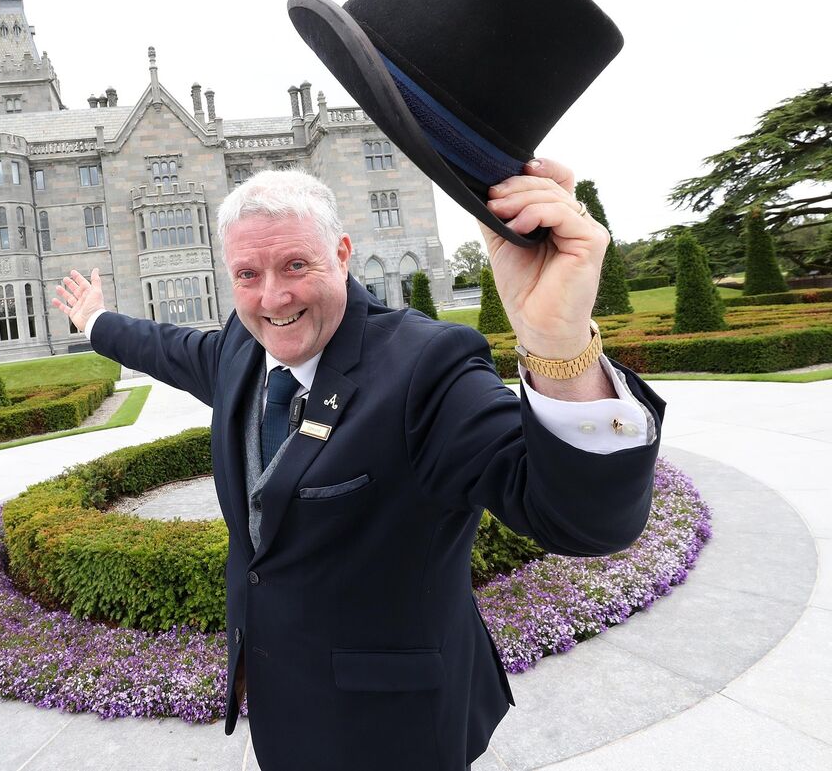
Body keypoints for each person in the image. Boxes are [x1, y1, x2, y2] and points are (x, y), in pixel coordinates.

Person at [53, 165, 665, 770]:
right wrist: (94, 321)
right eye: (248, 274)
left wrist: (558, 345)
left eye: (296, 265)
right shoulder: (241, 348)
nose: (273, 298)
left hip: (395, 728)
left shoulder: (425, 366)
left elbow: (582, 521)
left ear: (342, 254)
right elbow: (163, 346)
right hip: (280, 706)